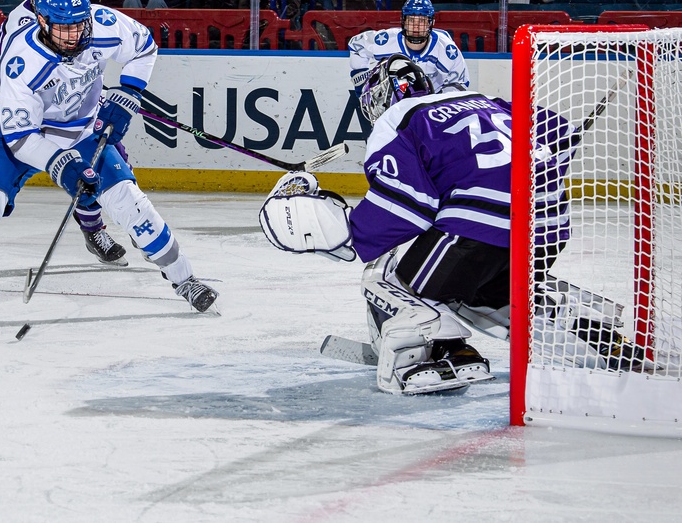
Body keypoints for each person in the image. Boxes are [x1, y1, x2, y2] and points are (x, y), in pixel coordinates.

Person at [258, 56, 637, 394]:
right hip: (549, 226)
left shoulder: (398, 120)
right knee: (482, 292)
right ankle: (591, 333)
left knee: (387, 274)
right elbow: (558, 131)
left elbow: (406, 210)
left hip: (482, 223)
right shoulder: (483, 101)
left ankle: (439, 353)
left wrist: (337, 225)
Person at [0, 0, 220, 316]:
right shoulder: (21, 61)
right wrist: (64, 166)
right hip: (18, 132)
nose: (75, 35)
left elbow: (144, 46)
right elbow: (22, 138)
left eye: (79, 25)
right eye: (64, 28)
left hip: (80, 130)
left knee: (130, 202)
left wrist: (129, 93)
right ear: (42, 21)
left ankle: (185, 279)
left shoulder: (101, 24)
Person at [0, 0, 130, 265]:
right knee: (5, 178)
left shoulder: (79, 14)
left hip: (81, 110)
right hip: (39, 115)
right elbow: (13, 77)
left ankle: (95, 229)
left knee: (106, 161)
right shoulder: (19, 22)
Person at [346, 0, 469, 95]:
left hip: (431, 100)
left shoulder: (446, 48)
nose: (416, 26)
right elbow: (357, 44)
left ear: (431, 23)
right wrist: (361, 82)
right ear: (403, 21)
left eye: (421, 21)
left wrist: (438, 103)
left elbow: (460, 83)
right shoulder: (386, 40)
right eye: (411, 20)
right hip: (395, 97)